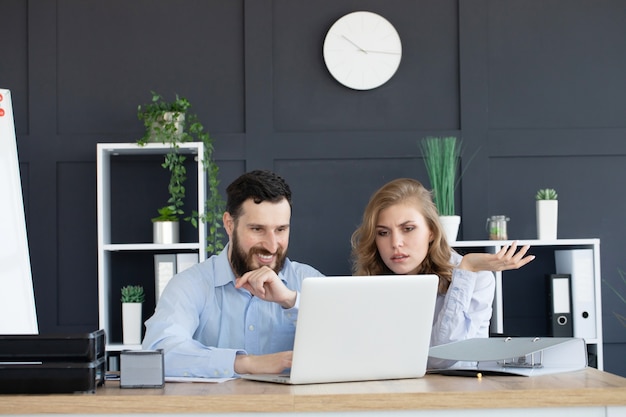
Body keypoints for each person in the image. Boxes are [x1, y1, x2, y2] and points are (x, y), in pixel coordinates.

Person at [142, 170, 324, 378]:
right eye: (257, 229)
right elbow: (158, 353)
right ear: (229, 224)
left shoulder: (310, 282)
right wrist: (245, 363)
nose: (272, 246)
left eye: (281, 229)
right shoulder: (190, 284)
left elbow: (347, 346)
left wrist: (291, 301)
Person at [350, 178, 534, 368]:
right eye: (383, 233)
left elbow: (443, 358)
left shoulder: (477, 279)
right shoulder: (371, 281)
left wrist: (466, 271)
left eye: (408, 229)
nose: (395, 243)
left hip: (456, 391)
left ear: (431, 231)